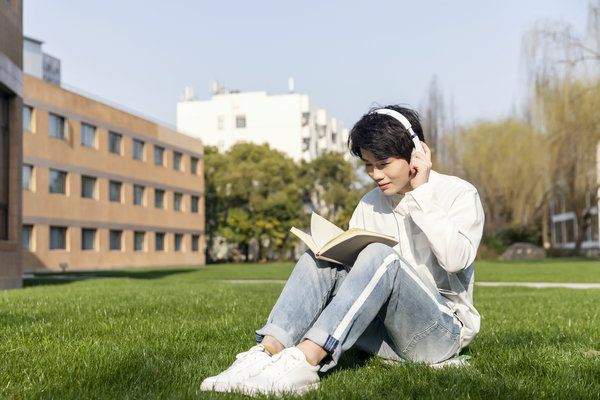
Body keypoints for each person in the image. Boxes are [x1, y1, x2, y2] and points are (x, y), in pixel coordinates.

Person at [200, 105, 485, 396]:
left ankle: (306, 362)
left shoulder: (459, 194)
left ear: (416, 154)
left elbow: (456, 260)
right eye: (368, 165)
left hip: (439, 334)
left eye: (383, 164)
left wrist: (421, 193)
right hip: (379, 337)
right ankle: (265, 354)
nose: (375, 174)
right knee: (318, 259)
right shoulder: (369, 203)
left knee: (380, 255)